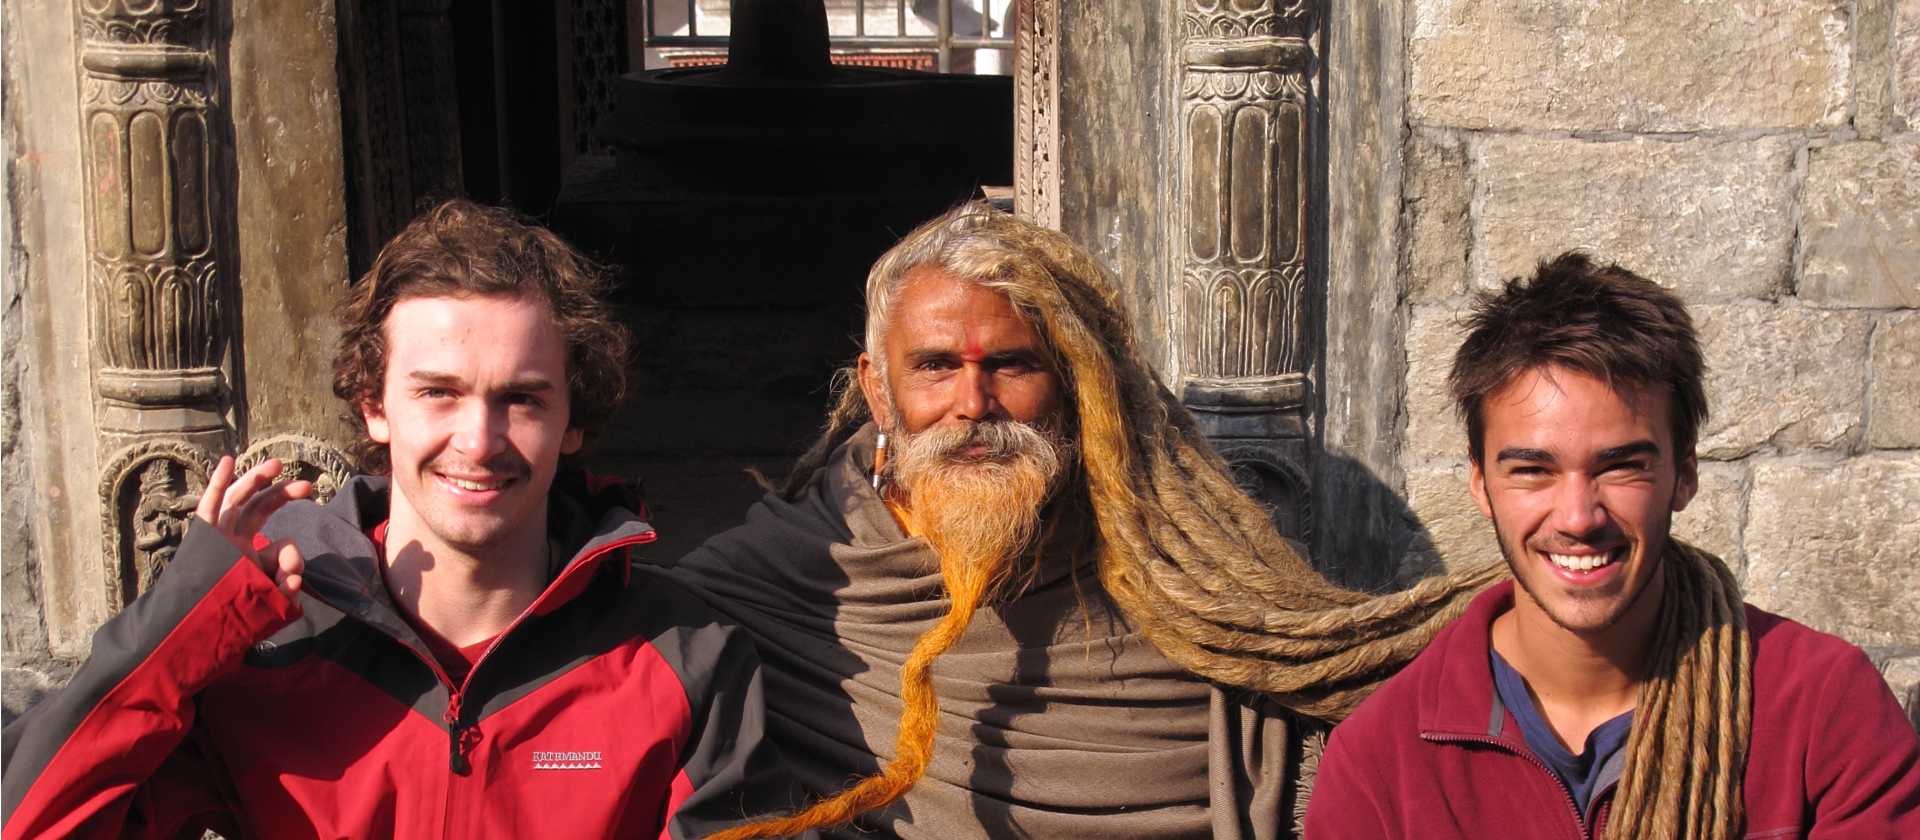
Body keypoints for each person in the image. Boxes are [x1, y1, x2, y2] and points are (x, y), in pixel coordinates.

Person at [648, 202, 1504, 840]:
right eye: (935, 367)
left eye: (1014, 364)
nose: (972, 404)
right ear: (877, 387)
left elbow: (1329, 674)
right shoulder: (774, 581)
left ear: (1078, 381)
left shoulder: (1171, 568)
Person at [1, 200, 779, 839]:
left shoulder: (683, 657)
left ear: (575, 417)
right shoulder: (266, 654)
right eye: (437, 392)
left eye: (522, 399)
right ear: (374, 404)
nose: (478, 441)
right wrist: (181, 626)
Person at [1304, 253, 1920, 838]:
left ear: (1684, 473)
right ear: (1480, 484)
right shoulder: (1383, 761)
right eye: (1532, 470)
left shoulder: (1823, 708)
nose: (1577, 517)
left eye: (1621, 466)